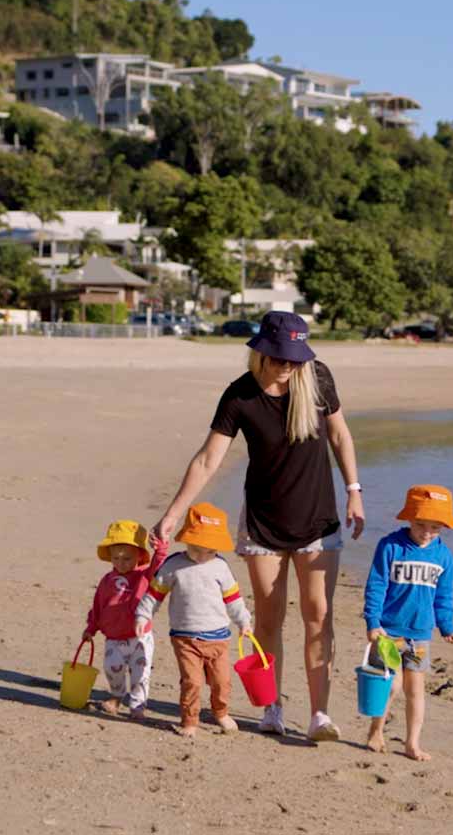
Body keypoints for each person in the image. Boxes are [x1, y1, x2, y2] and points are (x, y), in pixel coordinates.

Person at [152, 311, 363, 741]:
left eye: (294, 357)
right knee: (267, 618)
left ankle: (320, 714)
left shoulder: (317, 379)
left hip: (318, 521)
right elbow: (208, 459)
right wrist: (174, 514)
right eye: (281, 357)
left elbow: (340, 436)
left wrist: (354, 490)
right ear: (262, 351)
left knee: (318, 615)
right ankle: (272, 707)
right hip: (264, 523)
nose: (288, 365)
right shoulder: (240, 396)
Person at [362, 485, 453, 761]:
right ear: (409, 519)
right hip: (388, 631)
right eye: (421, 525)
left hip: (420, 635)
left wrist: (447, 627)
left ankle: (412, 743)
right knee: (390, 685)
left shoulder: (443, 557)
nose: (427, 532)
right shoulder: (390, 546)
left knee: (415, 690)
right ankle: (376, 730)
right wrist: (372, 621)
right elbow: (376, 585)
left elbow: (444, 596)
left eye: (435, 527)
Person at [136, 502, 252, 737]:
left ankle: (220, 712)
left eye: (209, 551)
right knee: (193, 682)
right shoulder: (173, 566)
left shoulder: (220, 567)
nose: (202, 556)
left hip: (219, 637)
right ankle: (189, 720)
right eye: (196, 549)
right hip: (185, 638)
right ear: (187, 540)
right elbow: (154, 594)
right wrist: (143, 614)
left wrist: (244, 622)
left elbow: (234, 599)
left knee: (222, 682)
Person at [81, 520, 168, 718]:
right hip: (114, 636)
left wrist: (161, 547)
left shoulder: (144, 576)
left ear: (139, 556)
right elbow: (98, 606)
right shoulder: (107, 580)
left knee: (140, 674)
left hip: (139, 636)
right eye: (116, 558)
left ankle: (138, 705)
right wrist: (91, 627)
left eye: (127, 558)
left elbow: (158, 565)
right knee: (112, 668)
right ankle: (116, 696)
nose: (121, 563)